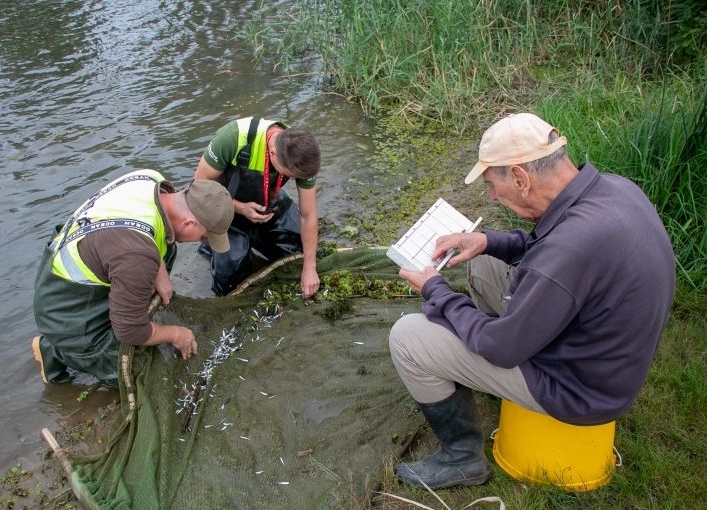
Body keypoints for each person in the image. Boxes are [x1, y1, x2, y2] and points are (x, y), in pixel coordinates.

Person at [388, 113, 675, 490]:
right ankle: (472, 363)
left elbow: (501, 346)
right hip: (604, 358)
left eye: (492, 184)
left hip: (578, 390)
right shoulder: (613, 189)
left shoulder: (570, 250)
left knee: (409, 337)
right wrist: (486, 241)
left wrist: (436, 289)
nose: (492, 195)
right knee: (485, 264)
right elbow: (548, 250)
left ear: (521, 178)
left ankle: (460, 457)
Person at [31, 169, 234, 385]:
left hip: (84, 260)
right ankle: (56, 350)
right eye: (203, 236)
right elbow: (129, 331)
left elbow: (137, 230)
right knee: (138, 374)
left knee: (169, 249)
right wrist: (176, 334)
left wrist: (159, 267)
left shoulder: (151, 179)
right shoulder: (137, 254)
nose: (201, 242)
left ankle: (124, 311)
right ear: (189, 223)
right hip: (65, 308)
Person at [193, 116, 321, 297]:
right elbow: (198, 186)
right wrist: (240, 208)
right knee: (230, 275)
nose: (292, 179)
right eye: (289, 175)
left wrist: (310, 268)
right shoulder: (233, 138)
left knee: (300, 251)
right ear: (273, 153)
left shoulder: (302, 156)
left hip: (269, 201)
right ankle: (213, 249)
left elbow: (308, 215)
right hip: (226, 205)